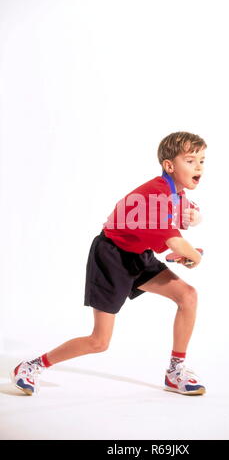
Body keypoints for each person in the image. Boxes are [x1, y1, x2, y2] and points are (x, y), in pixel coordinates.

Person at [11, 131, 207, 396]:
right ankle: (31, 366)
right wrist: (194, 256)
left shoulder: (174, 191)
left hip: (138, 255)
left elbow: (181, 218)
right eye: (191, 160)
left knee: (188, 296)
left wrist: (193, 218)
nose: (198, 166)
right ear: (169, 166)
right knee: (99, 341)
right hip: (111, 257)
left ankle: (175, 372)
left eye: (202, 161)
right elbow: (176, 244)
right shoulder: (156, 196)